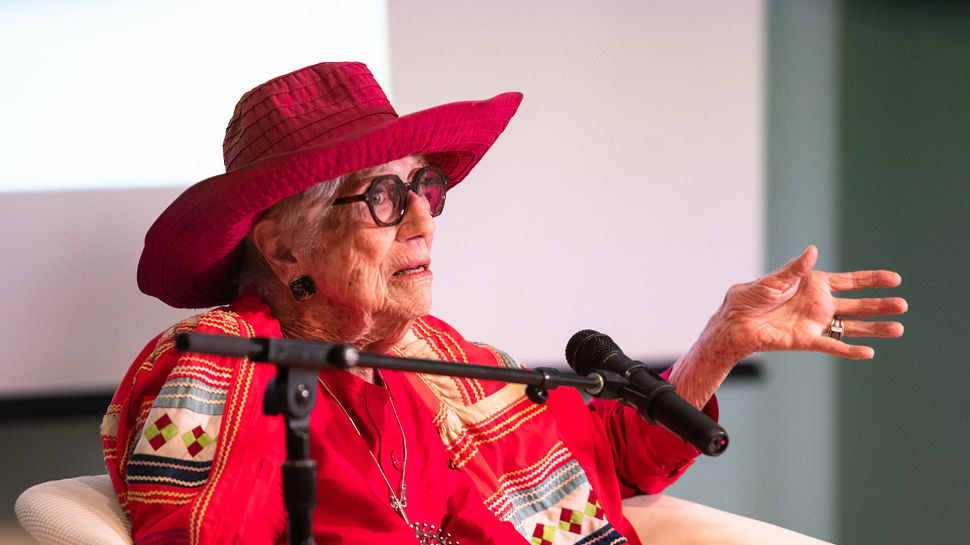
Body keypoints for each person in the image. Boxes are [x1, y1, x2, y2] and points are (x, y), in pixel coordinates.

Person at [102, 61, 906, 545]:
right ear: (284, 249)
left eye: (425, 187)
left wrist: (721, 340)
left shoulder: (445, 358)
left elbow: (612, 457)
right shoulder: (219, 368)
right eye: (383, 197)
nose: (423, 218)